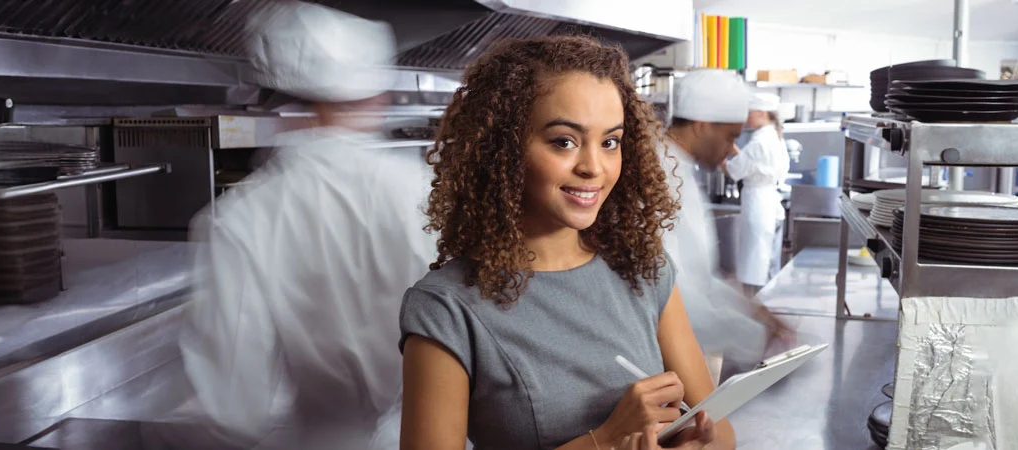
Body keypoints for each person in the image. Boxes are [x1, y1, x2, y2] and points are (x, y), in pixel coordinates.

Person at [399, 36, 735, 450]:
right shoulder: (447, 309)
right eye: (564, 141)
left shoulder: (645, 270)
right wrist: (605, 439)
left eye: (610, 142)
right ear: (501, 149)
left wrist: (693, 445)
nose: (594, 167)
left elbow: (719, 431)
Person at [179, 2, 435, 448]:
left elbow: (232, 407)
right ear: (375, 96)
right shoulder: (426, 193)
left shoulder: (240, 219)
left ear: (274, 100)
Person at [660, 70, 783, 371]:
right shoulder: (660, 177)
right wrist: (757, 336)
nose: (731, 149)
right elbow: (670, 296)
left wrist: (751, 312)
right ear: (702, 127)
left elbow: (695, 278)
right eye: (730, 137)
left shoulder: (678, 167)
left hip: (681, 348)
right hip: (662, 355)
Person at [725, 93, 791, 294]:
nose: (747, 118)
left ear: (762, 113)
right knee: (765, 260)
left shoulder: (759, 143)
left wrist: (715, 152)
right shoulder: (773, 136)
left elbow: (733, 170)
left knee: (755, 262)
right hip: (770, 203)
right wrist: (733, 150)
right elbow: (750, 163)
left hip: (758, 205)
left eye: (750, 113)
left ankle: (754, 305)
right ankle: (763, 303)